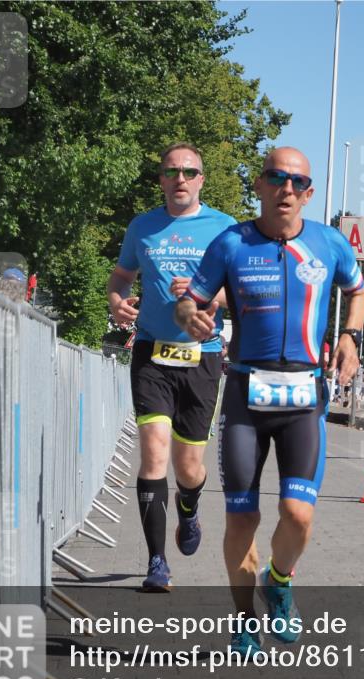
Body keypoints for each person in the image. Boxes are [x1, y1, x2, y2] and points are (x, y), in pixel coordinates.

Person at [174, 146, 364, 653]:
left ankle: (278, 580)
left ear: (308, 193)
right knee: (242, 516)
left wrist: (350, 336)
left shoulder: (328, 244)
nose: (286, 188)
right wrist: (187, 317)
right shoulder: (231, 243)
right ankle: (244, 620)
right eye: (276, 178)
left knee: (298, 513)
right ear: (259, 185)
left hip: (304, 395)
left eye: (297, 182)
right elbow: (190, 302)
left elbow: (359, 290)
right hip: (244, 393)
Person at [108, 142, 234, 591]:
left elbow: (237, 289)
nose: (179, 178)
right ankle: (157, 563)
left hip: (201, 356)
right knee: (154, 453)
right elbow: (122, 275)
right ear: (161, 178)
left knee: (188, 468)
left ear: (201, 179)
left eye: (189, 171)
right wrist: (117, 301)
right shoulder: (142, 227)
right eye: (171, 171)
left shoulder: (224, 229)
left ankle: (190, 505)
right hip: (151, 352)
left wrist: (206, 295)